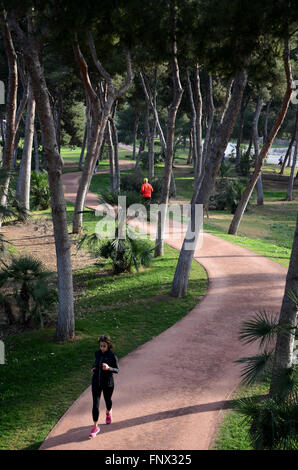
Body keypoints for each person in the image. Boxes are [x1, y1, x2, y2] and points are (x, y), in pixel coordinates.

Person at [89, 334, 119, 438]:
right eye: (100, 346)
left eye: (104, 346)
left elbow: (117, 370)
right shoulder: (97, 354)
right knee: (95, 405)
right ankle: (95, 426)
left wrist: (109, 368)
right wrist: (93, 369)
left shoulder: (112, 356)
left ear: (108, 345)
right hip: (96, 382)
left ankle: (108, 412)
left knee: (108, 401)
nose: (102, 348)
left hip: (108, 383)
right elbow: (95, 364)